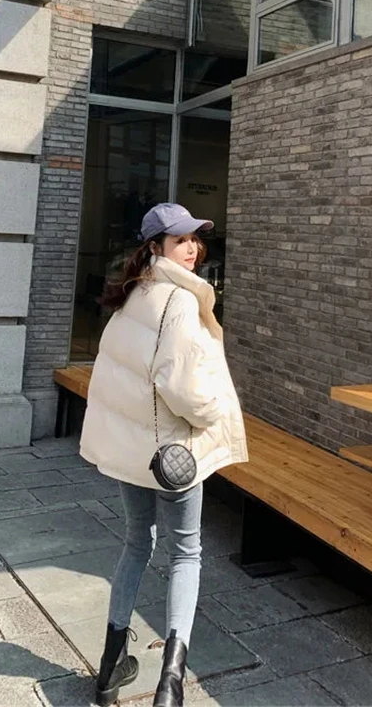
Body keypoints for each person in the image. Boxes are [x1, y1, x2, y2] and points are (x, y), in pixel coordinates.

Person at [80, 203, 248, 707]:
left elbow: (116, 375)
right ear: (155, 247)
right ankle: (171, 683)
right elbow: (179, 385)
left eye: (195, 239)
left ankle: (110, 668)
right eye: (180, 240)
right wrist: (213, 411)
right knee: (186, 553)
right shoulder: (178, 299)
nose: (192, 248)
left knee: (136, 543)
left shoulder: (135, 294)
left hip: (134, 448)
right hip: (173, 452)